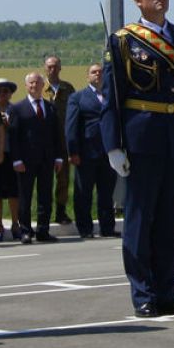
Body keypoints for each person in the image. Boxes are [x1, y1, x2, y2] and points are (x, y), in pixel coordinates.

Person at [102, 0, 174, 317]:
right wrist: (113, 144)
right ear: (138, 0)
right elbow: (112, 96)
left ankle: (167, 292)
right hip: (142, 138)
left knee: (168, 221)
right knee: (139, 220)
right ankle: (143, 294)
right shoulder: (124, 41)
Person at [7, 72, 64, 242]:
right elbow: (13, 137)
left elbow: (57, 134)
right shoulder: (17, 108)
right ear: (26, 86)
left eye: (38, 83)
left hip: (47, 160)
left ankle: (43, 230)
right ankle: (25, 230)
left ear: (42, 86)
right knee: (25, 196)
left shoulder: (50, 107)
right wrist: (16, 160)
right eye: (31, 83)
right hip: (25, 161)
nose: (34, 86)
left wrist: (59, 157)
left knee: (45, 196)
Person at [65, 62, 117, 238]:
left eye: (101, 72)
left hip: (109, 153)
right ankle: (85, 229)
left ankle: (107, 227)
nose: (98, 75)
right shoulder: (78, 97)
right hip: (86, 153)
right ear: (87, 76)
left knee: (106, 193)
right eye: (94, 72)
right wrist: (73, 151)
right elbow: (71, 127)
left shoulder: (112, 96)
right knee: (83, 193)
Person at [41, 55, 77, 225]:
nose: (52, 70)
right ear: (44, 68)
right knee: (45, 181)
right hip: (45, 142)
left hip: (63, 141)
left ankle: (61, 212)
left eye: (55, 66)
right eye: (49, 67)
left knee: (63, 180)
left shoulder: (68, 88)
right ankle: (43, 214)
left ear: (60, 68)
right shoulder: (40, 88)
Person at [0, 77, 20, 239]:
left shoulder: (15, 110)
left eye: (5, 91)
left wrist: (9, 125)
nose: (1, 94)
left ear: (10, 94)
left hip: (12, 155)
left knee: (14, 193)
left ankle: (15, 224)